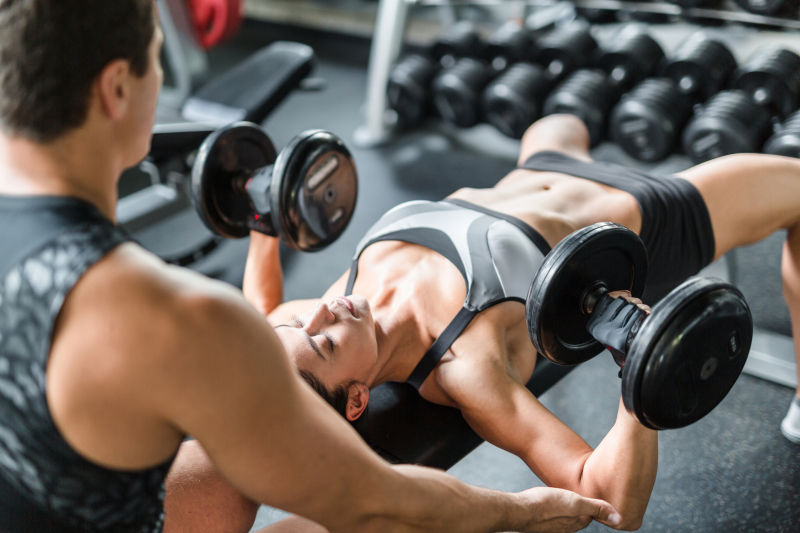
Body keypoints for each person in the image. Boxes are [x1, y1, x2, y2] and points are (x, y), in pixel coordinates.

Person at [0, 2, 622, 532]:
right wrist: (522, 510)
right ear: (115, 88)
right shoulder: (171, 316)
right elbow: (372, 504)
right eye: (157, 60)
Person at [234, 111, 800, 530]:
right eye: (328, 343)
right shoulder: (462, 366)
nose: (324, 313)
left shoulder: (314, 320)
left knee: (567, 110)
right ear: (357, 399)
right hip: (652, 215)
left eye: (301, 324)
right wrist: (639, 380)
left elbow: (261, 313)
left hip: (541, 166)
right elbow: (610, 501)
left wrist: (263, 222)